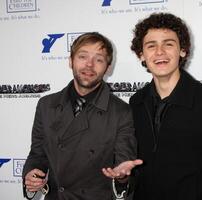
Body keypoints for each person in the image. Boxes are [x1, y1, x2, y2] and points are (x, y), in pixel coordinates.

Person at [128, 12, 202, 200]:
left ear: (183, 50)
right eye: (151, 46)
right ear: (141, 55)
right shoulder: (136, 102)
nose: (159, 52)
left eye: (168, 44)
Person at [22, 32, 142, 200]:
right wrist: (31, 173)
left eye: (99, 59)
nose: (89, 65)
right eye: (83, 56)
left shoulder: (121, 112)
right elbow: (37, 154)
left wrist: (121, 176)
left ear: (108, 68)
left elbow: (124, 166)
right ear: (71, 61)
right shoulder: (46, 105)